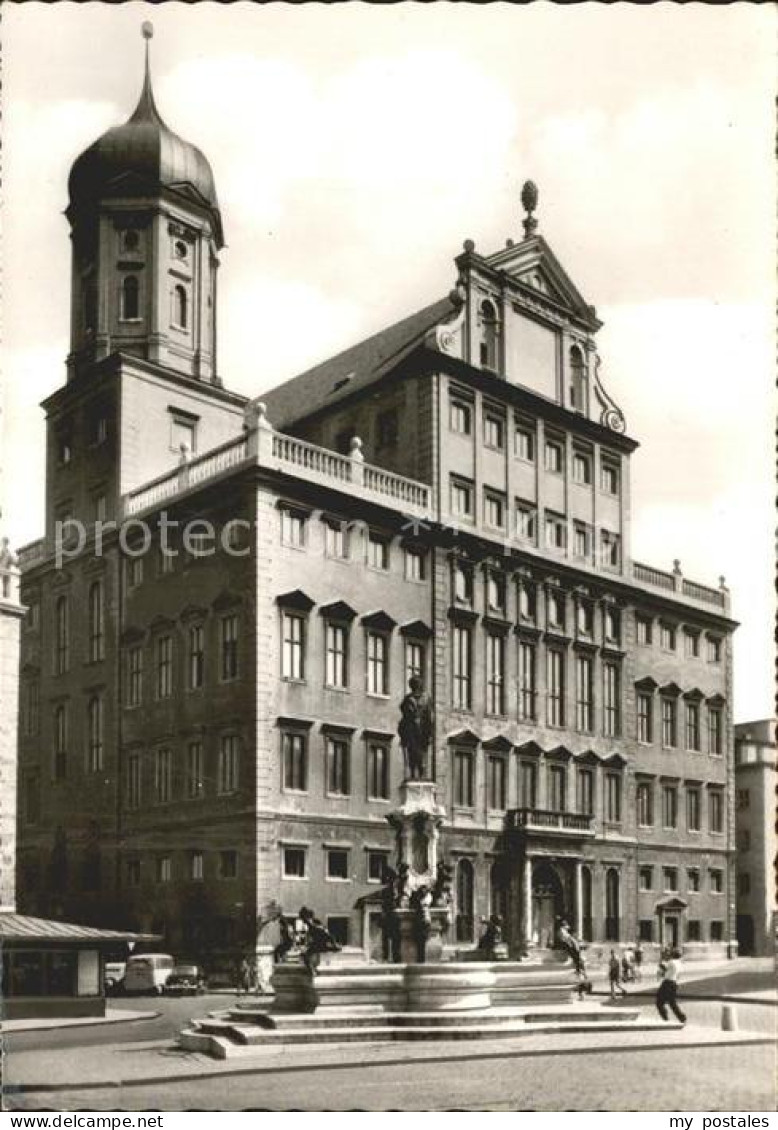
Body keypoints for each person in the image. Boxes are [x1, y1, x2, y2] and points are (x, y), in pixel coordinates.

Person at [656, 947, 687, 1024]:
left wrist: (660, 964)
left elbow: (664, 969)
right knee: (672, 1002)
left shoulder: (671, 962)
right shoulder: (679, 963)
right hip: (674, 983)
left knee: (659, 1002)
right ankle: (682, 1018)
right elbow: (670, 972)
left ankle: (665, 1018)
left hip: (667, 983)